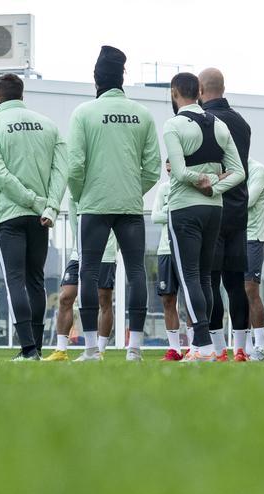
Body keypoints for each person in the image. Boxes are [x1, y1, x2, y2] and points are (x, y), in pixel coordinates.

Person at [65, 45, 162, 361]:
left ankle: (92, 348)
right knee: (136, 272)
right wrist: (133, 188)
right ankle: (134, 348)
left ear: (96, 80)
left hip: (94, 203)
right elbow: (153, 168)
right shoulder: (142, 114)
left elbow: (75, 165)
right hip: (130, 204)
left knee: (88, 273)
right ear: (123, 78)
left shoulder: (83, 113)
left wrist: (81, 194)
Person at [0, 73, 66, 360]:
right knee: (36, 281)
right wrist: (49, 206)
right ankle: (36, 348)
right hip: (41, 217)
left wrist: (34, 200)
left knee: (15, 281)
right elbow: (60, 170)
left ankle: (28, 349)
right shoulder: (49, 125)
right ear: (22, 94)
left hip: (8, 214)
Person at [161, 71, 245, 362]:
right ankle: (206, 344)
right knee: (207, 278)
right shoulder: (220, 124)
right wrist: (214, 185)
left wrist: (201, 180)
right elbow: (239, 171)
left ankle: (201, 346)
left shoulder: (173, 126)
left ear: (174, 92)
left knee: (190, 277)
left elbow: (180, 172)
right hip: (215, 208)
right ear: (198, 91)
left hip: (185, 208)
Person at [197, 68, 253, 361]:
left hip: (212, 208)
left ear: (201, 90)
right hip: (238, 211)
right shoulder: (242, 123)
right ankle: (241, 348)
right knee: (235, 283)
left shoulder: (205, 121)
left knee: (210, 280)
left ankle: (218, 349)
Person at [44, 197, 120, 361]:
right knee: (66, 297)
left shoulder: (107, 191)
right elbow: (74, 224)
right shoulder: (74, 197)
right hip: (78, 252)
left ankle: (98, 350)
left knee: (103, 300)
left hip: (105, 254)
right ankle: (61, 350)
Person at [151, 179, 186, 361]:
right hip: (165, 251)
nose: (171, 169)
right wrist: (173, 212)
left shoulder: (189, 187)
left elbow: (188, 216)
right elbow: (154, 216)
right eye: (168, 167)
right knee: (168, 300)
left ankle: (195, 347)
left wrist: (170, 213)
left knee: (190, 300)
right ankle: (175, 349)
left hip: (186, 250)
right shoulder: (163, 188)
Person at [244, 158, 264, 361]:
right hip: (232, 238)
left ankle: (260, 347)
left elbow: (247, 201)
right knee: (236, 293)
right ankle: (243, 348)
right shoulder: (224, 168)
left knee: (251, 290)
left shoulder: (257, 170)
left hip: (253, 238)